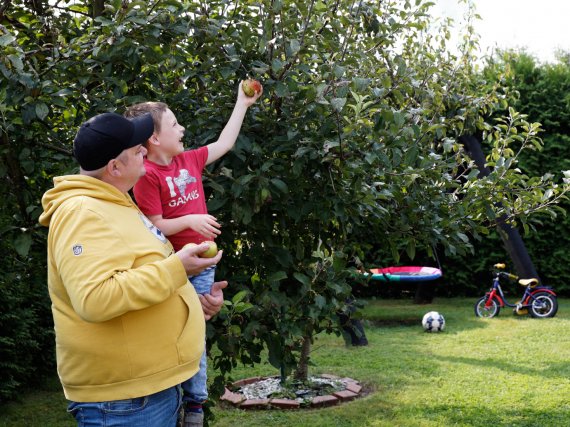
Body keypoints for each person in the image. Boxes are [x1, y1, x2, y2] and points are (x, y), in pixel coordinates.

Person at [39, 112, 227, 426]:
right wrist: (177, 269)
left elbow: (136, 277)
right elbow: (95, 298)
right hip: (124, 402)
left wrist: (191, 304)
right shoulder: (82, 213)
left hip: (146, 391)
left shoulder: (115, 204)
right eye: (136, 149)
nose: (143, 150)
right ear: (114, 167)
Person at [125, 80, 262, 426]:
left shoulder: (188, 160)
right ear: (154, 138)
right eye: (174, 124)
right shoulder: (147, 174)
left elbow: (225, 142)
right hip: (172, 266)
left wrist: (241, 105)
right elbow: (154, 223)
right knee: (174, 330)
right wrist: (192, 219)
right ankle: (169, 395)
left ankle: (195, 404)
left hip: (201, 264)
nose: (182, 128)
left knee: (194, 332)